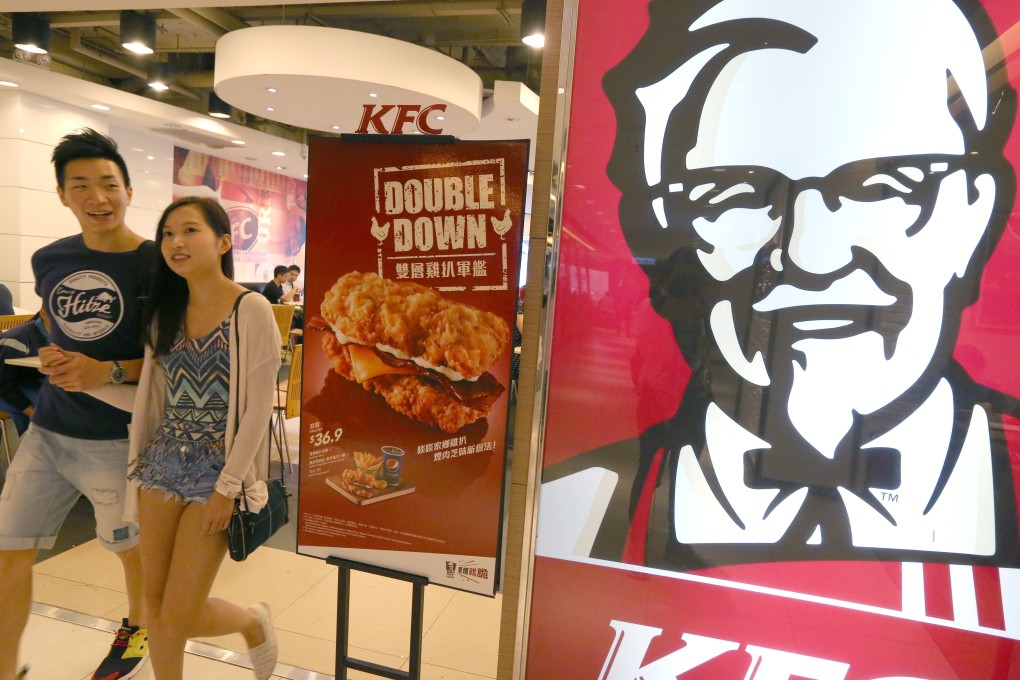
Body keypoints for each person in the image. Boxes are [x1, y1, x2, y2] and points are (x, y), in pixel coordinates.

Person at [543, 0, 1020, 570]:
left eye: (887, 186)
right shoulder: (567, 518)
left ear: (971, 214)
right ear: (678, 239)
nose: (813, 256)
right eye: (736, 194)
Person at [0, 129, 152, 680]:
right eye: (80, 185)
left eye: (109, 184)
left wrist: (107, 370)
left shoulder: (156, 264)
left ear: (128, 190)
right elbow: (50, 325)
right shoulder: (51, 258)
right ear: (63, 195)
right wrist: (35, 359)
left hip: (118, 439)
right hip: (47, 434)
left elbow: (179, 359)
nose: (98, 196)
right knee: (7, 552)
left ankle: (138, 627)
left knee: (127, 550)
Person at [126, 196, 280, 680]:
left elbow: (259, 407)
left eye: (189, 231)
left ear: (224, 242)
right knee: (153, 605)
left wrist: (228, 485)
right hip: (163, 461)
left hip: (219, 467)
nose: (176, 243)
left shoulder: (250, 308)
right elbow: (152, 396)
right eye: (168, 234)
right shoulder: (163, 312)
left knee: (180, 612)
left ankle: (252, 621)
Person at [0, 311, 49, 435]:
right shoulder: (17, 339)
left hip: (32, 385)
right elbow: (3, 384)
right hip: (7, 390)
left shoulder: (67, 339)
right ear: (43, 312)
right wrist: (32, 412)